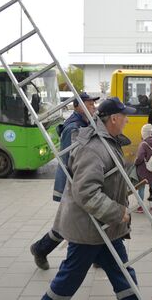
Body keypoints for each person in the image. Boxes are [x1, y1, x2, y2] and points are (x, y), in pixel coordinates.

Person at [42, 97, 138, 300]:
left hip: (104, 228)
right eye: (124, 117)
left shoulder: (107, 142)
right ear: (113, 118)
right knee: (68, 281)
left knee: (124, 276)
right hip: (88, 229)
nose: (127, 121)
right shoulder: (93, 148)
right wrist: (118, 212)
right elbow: (87, 192)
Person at [30, 92, 99, 270]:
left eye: (93, 104)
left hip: (80, 183)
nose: (93, 107)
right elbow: (72, 160)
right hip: (74, 184)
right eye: (89, 104)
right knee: (68, 224)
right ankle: (40, 249)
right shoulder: (73, 128)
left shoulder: (85, 123)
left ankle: (100, 256)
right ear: (77, 107)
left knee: (88, 220)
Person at [134, 124, 152, 212]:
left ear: (143, 133)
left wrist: (135, 162)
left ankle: (141, 207)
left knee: (141, 188)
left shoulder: (143, 144)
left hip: (143, 170)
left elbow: (140, 157)